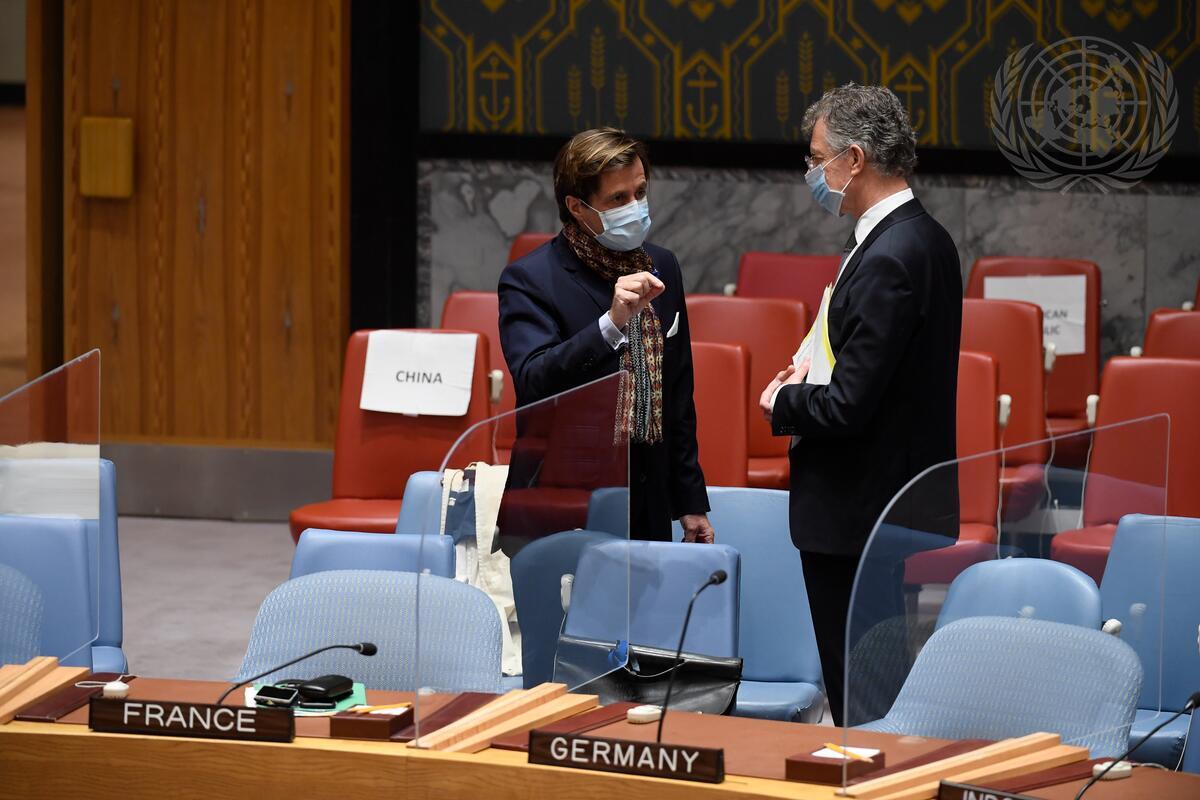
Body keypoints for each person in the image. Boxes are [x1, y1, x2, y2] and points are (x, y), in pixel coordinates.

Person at [759, 84, 962, 725]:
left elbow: (849, 406)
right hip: (882, 501)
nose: (811, 171)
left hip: (860, 509)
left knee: (862, 696)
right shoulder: (920, 236)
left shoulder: (891, 254)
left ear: (854, 159)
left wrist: (783, 401)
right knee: (872, 686)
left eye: (816, 157)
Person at [498, 127, 715, 546]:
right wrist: (610, 324)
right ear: (577, 207)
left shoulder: (662, 265)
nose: (635, 207)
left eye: (640, 192)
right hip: (564, 495)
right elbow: (533, 379)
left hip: (646, 495)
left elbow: (677, 396)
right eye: (618, 199)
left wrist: (690, 501)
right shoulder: (530, 279)